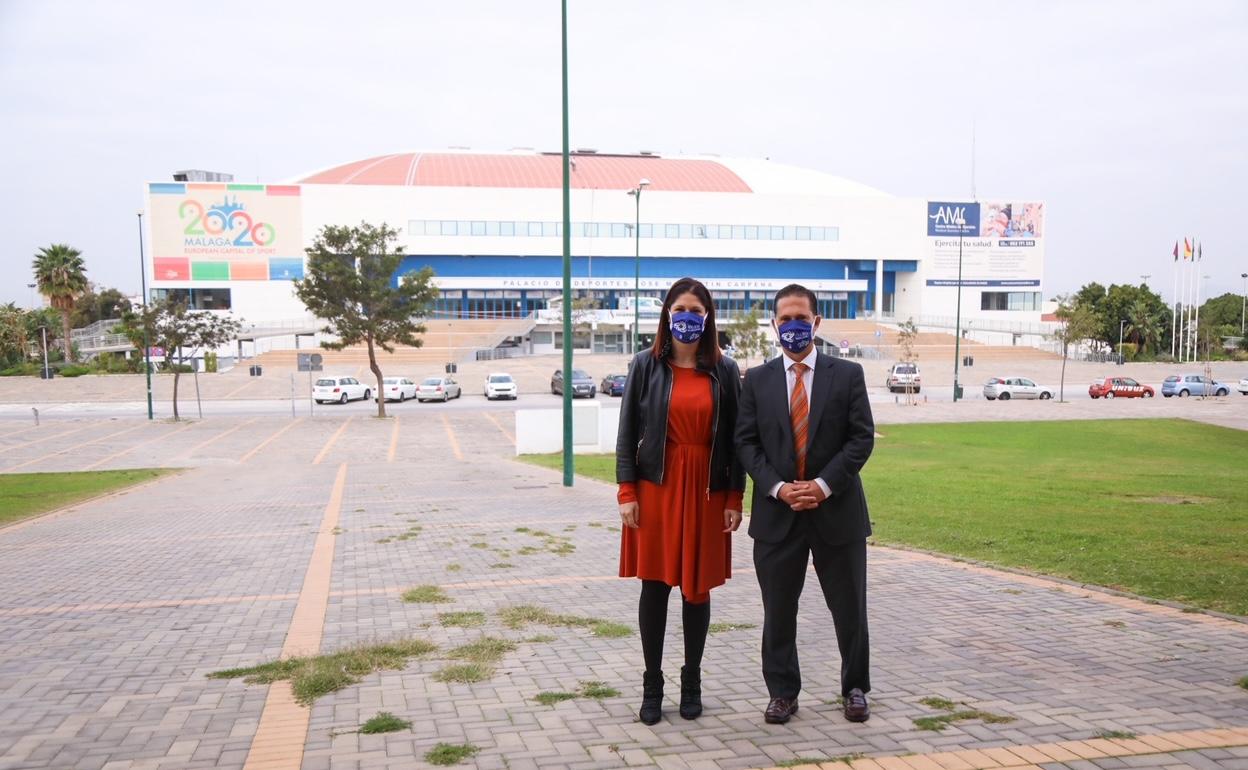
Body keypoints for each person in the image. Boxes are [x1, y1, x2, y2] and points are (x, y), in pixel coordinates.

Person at [735, 283, 875, 725]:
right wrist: (778, 488)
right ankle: (782, 693)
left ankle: (855, 688)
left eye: (801, 318)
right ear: (774, 324)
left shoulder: (848, 374)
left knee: (850, 609)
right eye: (785, 319)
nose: (793, 326)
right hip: (778, 517)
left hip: (837, 512)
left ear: (816, 322)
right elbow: (746, 443)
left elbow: (860, 439)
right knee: (778, 612)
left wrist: (822, 484)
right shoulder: (755, 380)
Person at [616, 277, 745, 725]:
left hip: (707, 491)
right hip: (656, 488)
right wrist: (626, 491)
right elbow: (627, 433)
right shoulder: (643, 365)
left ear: (707, 317)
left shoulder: (724, 370)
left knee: (697, 588)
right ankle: (653, 684)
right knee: (654, 585)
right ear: (667, 314)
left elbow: (736, 440)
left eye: (696, 309)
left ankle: (693, 680)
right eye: (680, 308)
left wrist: (734, 496)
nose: (687, 316)